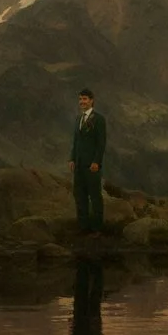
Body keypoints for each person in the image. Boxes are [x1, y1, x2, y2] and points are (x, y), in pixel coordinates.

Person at [69, 85, 107, 237]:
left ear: (91, 101)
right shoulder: (78, 118)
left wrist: (96, 162)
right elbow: (76, 141)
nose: (82, 102)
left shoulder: (99, 119)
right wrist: (72, 158)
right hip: (78, 164)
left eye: (84, 99)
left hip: (92, 165)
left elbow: (101, 143)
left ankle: (97, 228)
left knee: (95, 195)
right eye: (80, 99)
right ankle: (83, 226)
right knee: (80, 195)